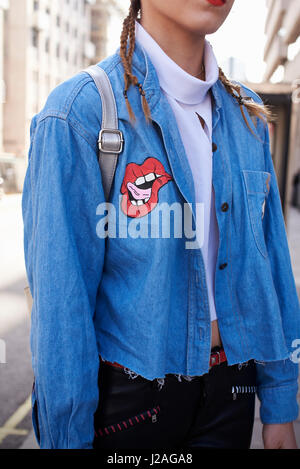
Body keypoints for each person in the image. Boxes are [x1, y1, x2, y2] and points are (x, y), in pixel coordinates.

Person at [22, 0, 300, 449]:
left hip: (233, 390)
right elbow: (61, 311)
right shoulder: (80, 114)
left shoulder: (248, 116)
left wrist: (281, 401)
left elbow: (270, 273)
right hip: (130, 404)